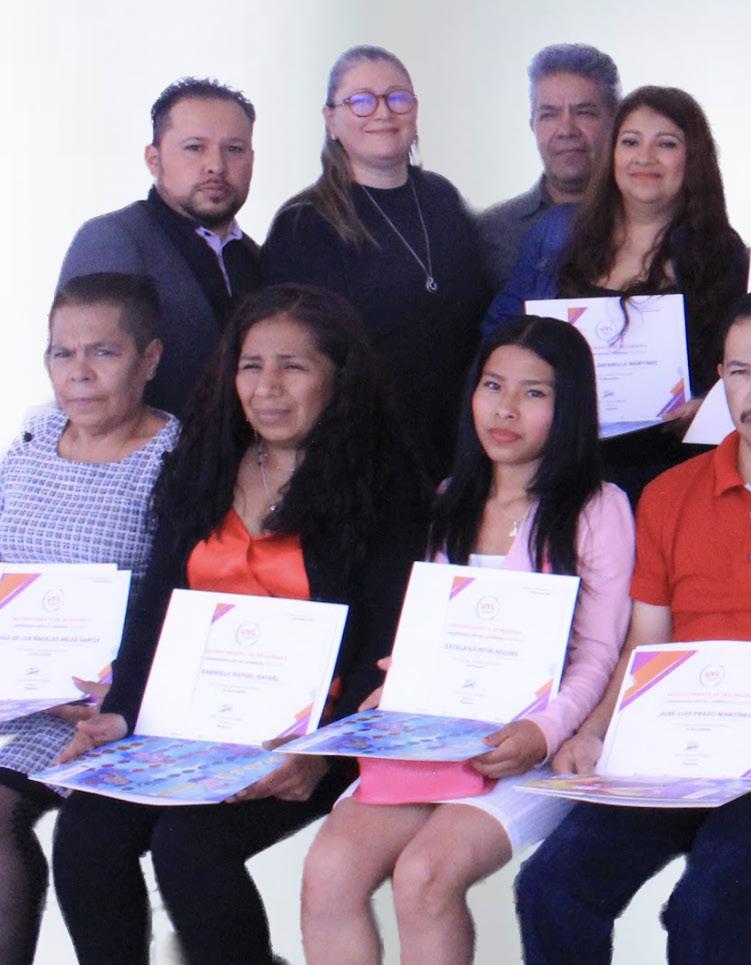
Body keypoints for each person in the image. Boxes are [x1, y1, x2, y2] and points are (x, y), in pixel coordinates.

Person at [50, 283, 429, 965]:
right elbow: (158, 606)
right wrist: (121, 713)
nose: (267, 388)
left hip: (308, 739)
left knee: (189, 848)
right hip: (186, 728)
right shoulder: (204, 463)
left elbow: (384, 643)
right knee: (85, 832)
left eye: (294, 366)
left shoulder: (386, 486)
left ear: (338, 376)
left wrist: (324, 754)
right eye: (251, 365)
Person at [512, 287, 751, 965]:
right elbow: (645, 642)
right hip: (670, 733)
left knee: (703, 905)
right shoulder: (670, 493)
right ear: (720, 380)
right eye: (740, 373)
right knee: (551, 886)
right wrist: (594, 730)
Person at [298, 316, 633, 965]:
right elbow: (432, 629)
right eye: (492, 385)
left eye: (534, 393)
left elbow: (598, 653)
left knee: (425, 876)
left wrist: (541, 731)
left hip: (531, 747)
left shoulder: (597, 508)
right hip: (436, 736)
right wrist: (399, 683)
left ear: (569, 408)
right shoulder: (451, 498)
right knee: (328, 872)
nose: (505, 409)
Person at [0, 273, 179, 965]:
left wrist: (124, 688)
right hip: (13, 683)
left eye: (103, 352)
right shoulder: (35, 435)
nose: (78, 373)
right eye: (62, 353)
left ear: (149, 359)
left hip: (98, 703)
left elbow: (179, 595)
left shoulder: (175, 458)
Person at [487, 85, 747, 496]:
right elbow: (501, 334)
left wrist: (710, 407)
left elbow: (744, 364)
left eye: (666, 144)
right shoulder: (558, 233)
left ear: (693, 159)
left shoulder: (721, 253)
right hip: (562, 471)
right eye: (630, 142)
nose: (645, 157)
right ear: (611, 154)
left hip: (672, 476)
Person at [264, 45, 490, 471]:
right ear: (331, 120)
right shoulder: (304, 225)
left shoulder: (442, 198)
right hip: (362, 457)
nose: (383, 112)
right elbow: (299, 359)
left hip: (463, 448)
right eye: (362, 101)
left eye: (397, 97)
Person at [57, 77, 261, 418]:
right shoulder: (112, 240)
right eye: (194, 147)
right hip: (148, 451)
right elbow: (86, 387)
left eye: (234, 149)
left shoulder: (256, 257)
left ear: (252, 160)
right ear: (154, 160)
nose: (216, 165)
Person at [477, 44, 621, 288]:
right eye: (549, 115)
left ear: (616, 122)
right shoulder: (494, 233)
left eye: (584, 112)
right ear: (532, 125)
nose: (566, 130)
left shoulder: (654, 222)